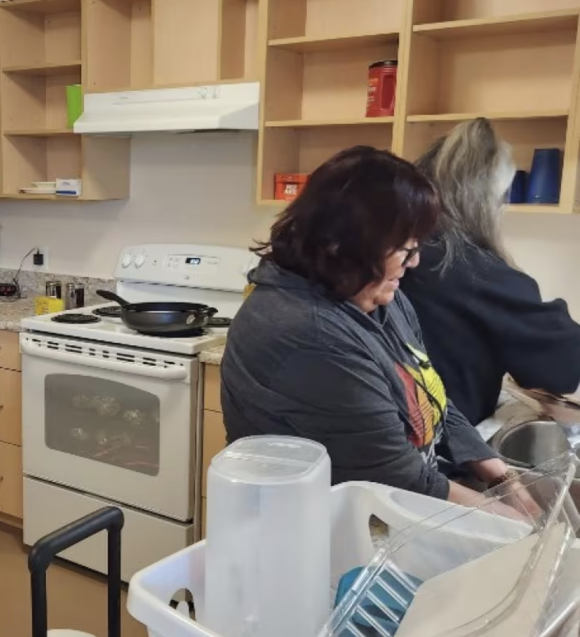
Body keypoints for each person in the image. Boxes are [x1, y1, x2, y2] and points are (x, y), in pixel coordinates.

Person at [222, 146, 512, 505]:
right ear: (344, 246)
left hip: (373, 515)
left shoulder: (378, 297)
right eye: (405, 249)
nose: (415, 261)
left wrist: (505, 479)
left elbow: (427, 394)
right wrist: (514, 524)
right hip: (304, 532)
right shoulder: (308, 333)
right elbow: (397, 477)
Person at [401, 118, 580, 426]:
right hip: (442, 445)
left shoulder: (395, 252)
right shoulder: (472, 270)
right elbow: (562, 369)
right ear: (486, 201)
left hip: (383, 433)